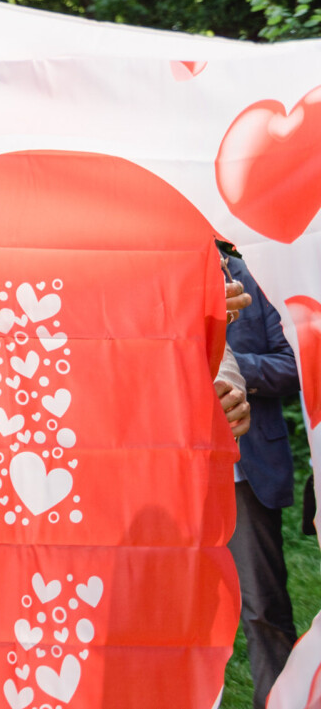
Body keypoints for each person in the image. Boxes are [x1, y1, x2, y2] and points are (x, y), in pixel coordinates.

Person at [221, 247, 301, 709]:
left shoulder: (254, 276)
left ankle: (279, 701)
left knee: (263, 607)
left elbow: (292, 365)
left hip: (245, 472)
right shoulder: (149, 277)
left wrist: (227, 363)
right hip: (175, 472)